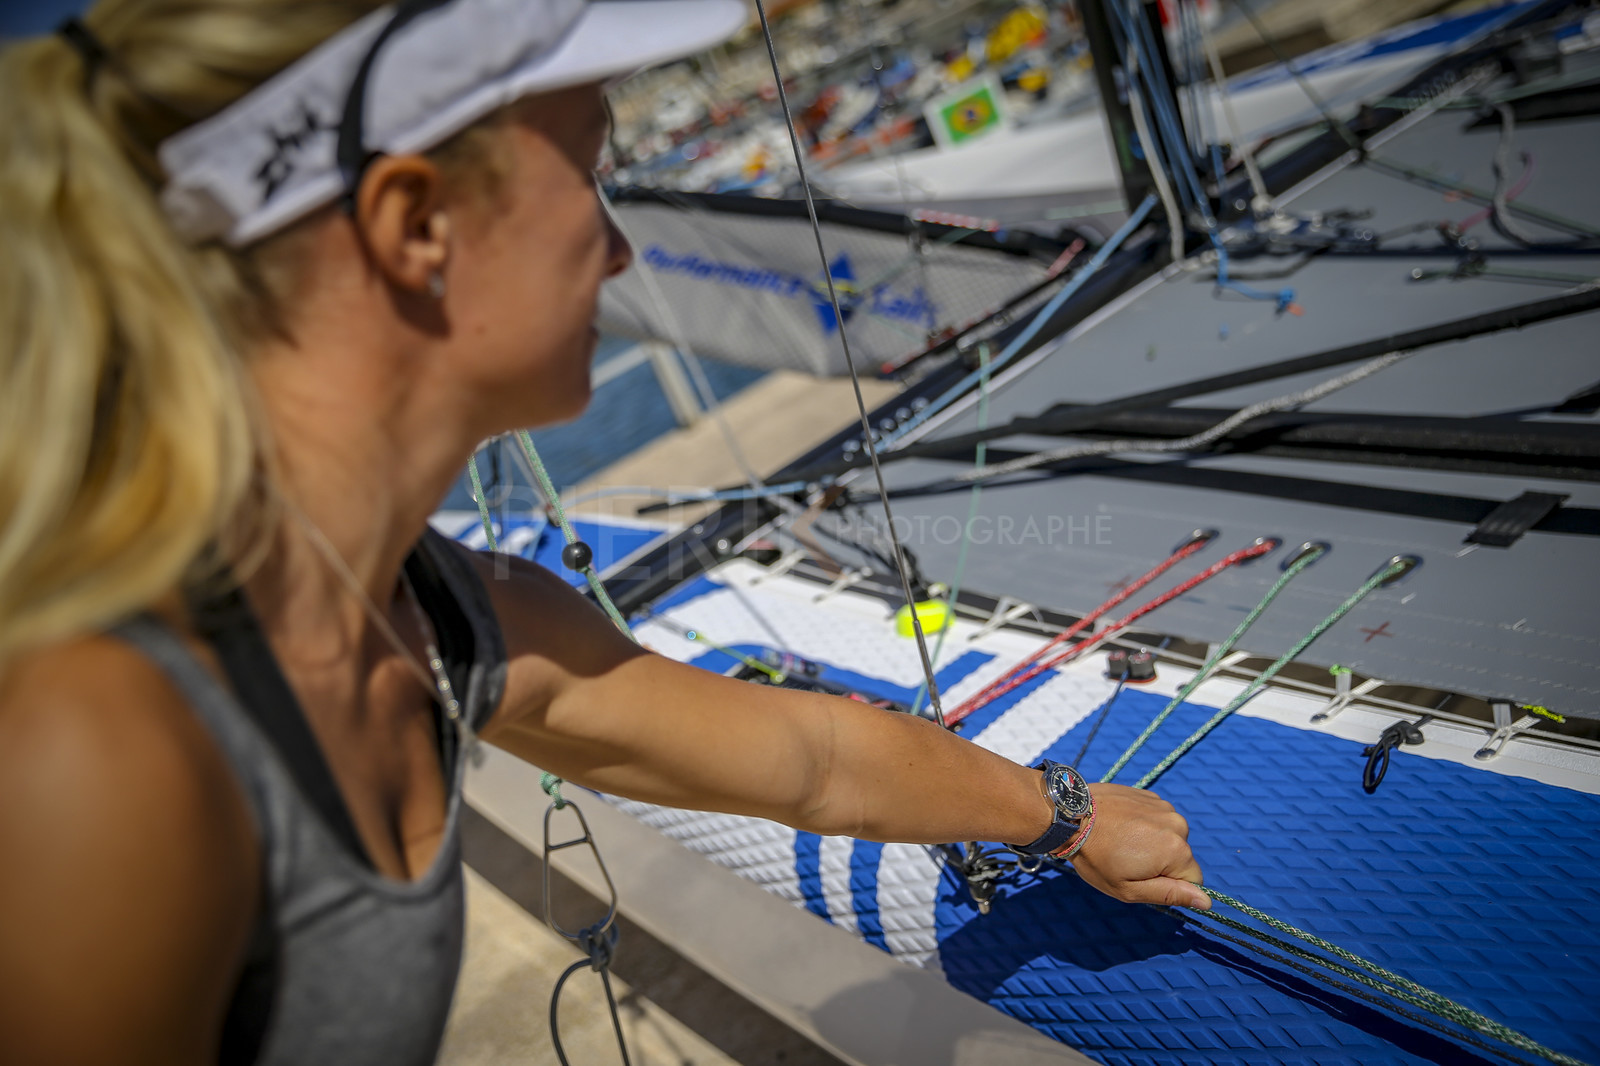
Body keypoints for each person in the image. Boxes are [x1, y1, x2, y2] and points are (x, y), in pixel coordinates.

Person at [0, 0, 1208, 1062]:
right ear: (417, 225)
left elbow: (813, 762)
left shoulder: (453, 616)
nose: (621, 244)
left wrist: (1065, 812)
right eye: (592, 169)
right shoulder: (104, 750)